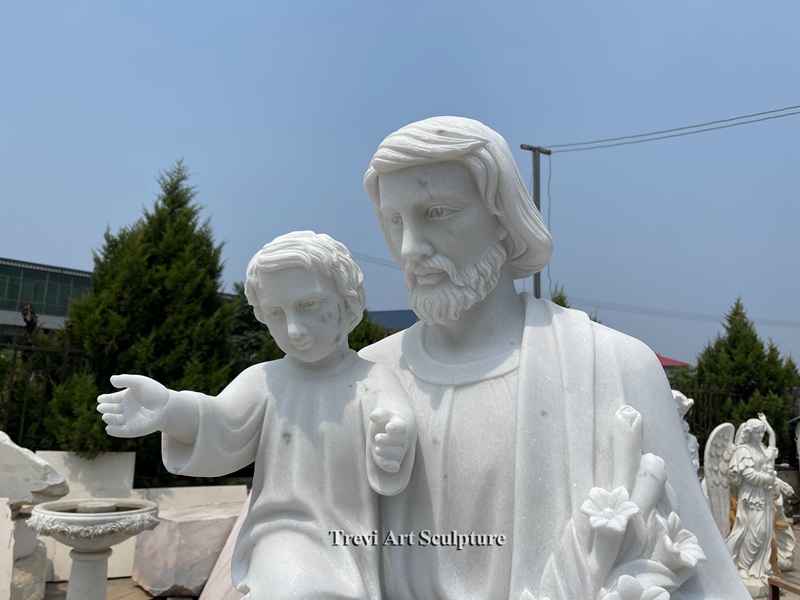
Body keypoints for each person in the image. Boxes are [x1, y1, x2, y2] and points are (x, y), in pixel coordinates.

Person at [360, 116, 749, 599]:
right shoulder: (365, 378)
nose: (409, 248)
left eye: (437, 211)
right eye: (394, 221)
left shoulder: (617, 366)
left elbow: (706, 581)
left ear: (503, 217)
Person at [97, 231, 415, 600]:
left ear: (349, 302)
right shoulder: (263, 381)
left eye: (309, 304)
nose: (293, 329)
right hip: (282, 531)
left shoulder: (373, 379)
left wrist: (392, 442)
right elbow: (218, 423)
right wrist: (169, 409)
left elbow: (398, 423)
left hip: (358, 538)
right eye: (276, 313)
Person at [726, 414, 780, 586]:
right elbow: (747, 474)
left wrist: (770, 478)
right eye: (757, 433)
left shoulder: (761, 448)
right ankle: (743, 567)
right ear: (749, 433)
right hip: (751, 495)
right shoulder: (743, 450)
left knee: (765, 532)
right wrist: (766, 479)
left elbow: (771, 448)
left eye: (762, 433)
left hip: (764, 494)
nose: (760, 436)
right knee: (754, 532)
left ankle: (758, 569)